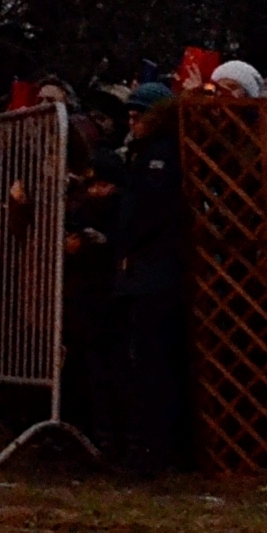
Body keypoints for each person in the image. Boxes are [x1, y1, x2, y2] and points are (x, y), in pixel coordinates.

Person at [107, 78, 194, 476]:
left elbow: (150, 212)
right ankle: (148, 444)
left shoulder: (158, 157)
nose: (133, 121)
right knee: (146, 358)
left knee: (151, 359)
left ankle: (151, 447)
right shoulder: (143, 154)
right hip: (149, 269)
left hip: (153, 271)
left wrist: (128, 244)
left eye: (140, 114)